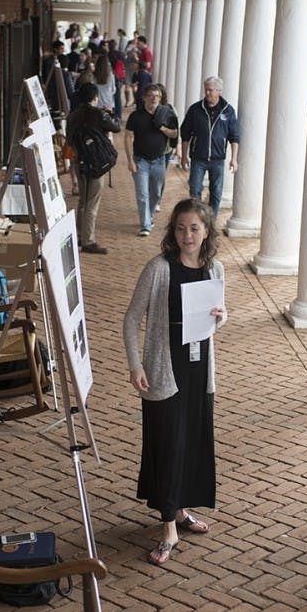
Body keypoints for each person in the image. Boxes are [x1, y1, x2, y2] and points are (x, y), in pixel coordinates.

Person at [123, 199, 227, 565]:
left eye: (194, 228)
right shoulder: (159, 269)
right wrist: (135, 365)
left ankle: (180, 511)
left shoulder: (215, 268)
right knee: (168, 444)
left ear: (206, 231)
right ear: (173, 231)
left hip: (199, 372)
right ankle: (168, 526)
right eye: (181, 228)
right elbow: (131, 318)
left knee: (191, 443)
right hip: (164, 371)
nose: (187, 235)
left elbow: (218, 316)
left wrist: (221, 316)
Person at [65, 82, 120, 254]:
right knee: (92, 203)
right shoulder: (97, 114)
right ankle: (88, 240)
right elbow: (116, 127)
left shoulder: (72, 116)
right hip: (95, 163)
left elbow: (69, 139)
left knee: (83, 200)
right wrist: (110, 113)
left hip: (79, 161)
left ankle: (80, 234)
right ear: (95, 97)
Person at [181, 76, 239, 217]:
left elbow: (234, 136)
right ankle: (198, 218)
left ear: (219, 91)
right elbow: (185, 133)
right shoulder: (195, 109)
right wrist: (184, 156)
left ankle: (211, 221)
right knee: (195, 190)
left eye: (210, 90)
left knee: (216, 193)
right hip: (198, 158)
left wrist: (234, 159)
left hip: (217, 160)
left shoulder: (228, 111)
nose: (207, 93)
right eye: (206, 90)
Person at [124, 85, 178, 236]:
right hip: (140, 161)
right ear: (144, 98)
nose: (154, 98)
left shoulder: (166, 114)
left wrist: (162, 128)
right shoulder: (136, 116)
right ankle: (145, 225)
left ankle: (149, 215)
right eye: (151, 95)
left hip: (159, 161)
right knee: (142, 194)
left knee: (156, 193)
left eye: (157, 96)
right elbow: (128, 137)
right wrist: (130, 160)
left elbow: (174, 134)